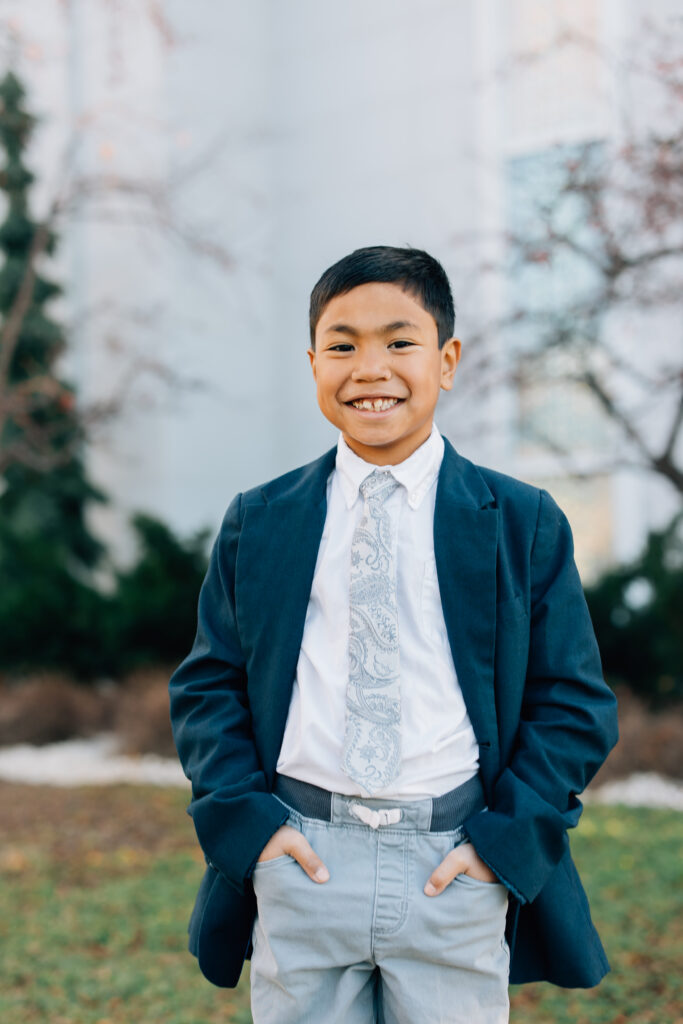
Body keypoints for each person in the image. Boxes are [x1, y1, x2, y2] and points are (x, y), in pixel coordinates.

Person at [169, 245, 619, 1023]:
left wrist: (499, 846)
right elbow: (208, 687)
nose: (369, 369)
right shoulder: (260, 521)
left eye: (399, 342)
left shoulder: (521, 522)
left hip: (453, 864)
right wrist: (254, 831)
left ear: (446, 361)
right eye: (342, 345)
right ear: (313, 364)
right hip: (301, 860)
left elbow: (573, 703)